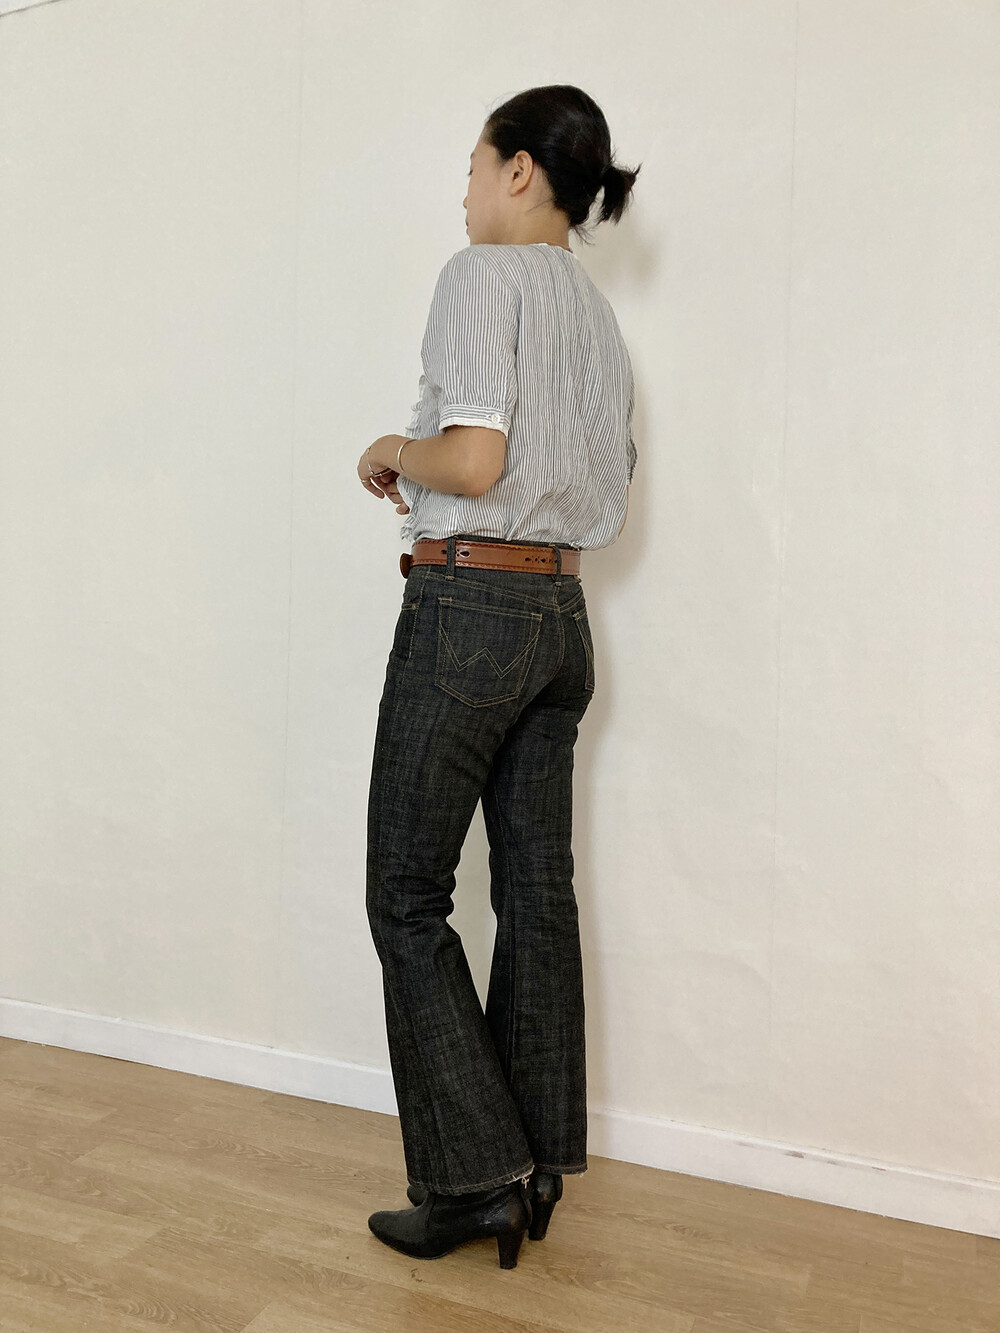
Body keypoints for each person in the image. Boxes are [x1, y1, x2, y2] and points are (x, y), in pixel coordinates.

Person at [359, 84, 640, 1270]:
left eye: (475, 165)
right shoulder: (597, 318)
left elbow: (473, 460)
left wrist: (391, 450)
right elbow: (603, 481)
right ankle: (534, 1161)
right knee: (535, 889)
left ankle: (478, 1177)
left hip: (470, 607)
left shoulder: (480, 277)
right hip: (562, 617)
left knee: (405, 892)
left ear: (521, 170)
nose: (466, 190)